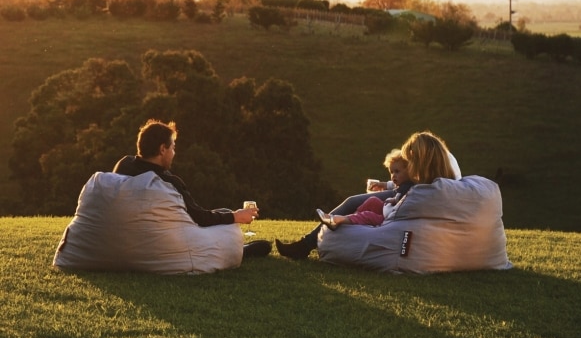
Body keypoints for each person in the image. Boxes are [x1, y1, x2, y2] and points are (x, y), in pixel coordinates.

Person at [275, 132, 461, 259]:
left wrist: (394, 197)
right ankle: (307, 243)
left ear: (422, 158)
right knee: (354, 201)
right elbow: (410, 179)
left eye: (411, 159)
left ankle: (306, 244)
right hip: (400, 194)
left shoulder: (438, 184)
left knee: (355, 204)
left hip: (399, 201)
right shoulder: (436, 172)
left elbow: (412, 186)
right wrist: (386, 184)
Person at [114, 119, 271, 258]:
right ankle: (240, 250)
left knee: (223, 212)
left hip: (126, 238)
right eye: (173, 148)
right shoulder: (167, 182)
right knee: (228, 217)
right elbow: (200, 218)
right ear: (163, 149)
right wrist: (236, 216)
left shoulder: (124, 165)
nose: (174, 153)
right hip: (168, 241)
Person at [316, 150, 414, 229]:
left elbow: (401, 200)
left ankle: (337, 220)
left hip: (388, 219)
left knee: (368, 215)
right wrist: (383, 184)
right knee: (373, 201)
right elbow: (393, 184)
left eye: (397, 172)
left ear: (409, 171)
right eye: (391, 172)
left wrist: (393, 200)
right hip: (386, 211)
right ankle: (352, 218)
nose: (393, 176)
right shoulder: (403, 184)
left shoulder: (408, 187)